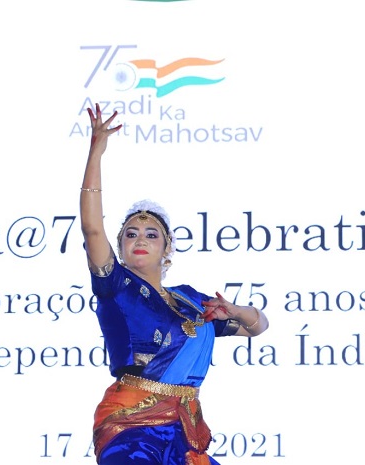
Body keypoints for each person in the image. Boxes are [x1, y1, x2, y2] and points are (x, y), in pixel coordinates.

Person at [80, 103, 269, 465]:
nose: (140, 238)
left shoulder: (191, 301)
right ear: (120, 246)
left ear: (166, 249)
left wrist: (235, 310)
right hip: (130, 425)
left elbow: (257, 327)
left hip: (182, 429)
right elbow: (91, 228)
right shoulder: (116, 286)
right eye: (131, 233)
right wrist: (96, 152)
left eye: (151, 234)